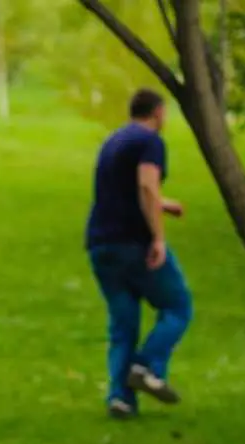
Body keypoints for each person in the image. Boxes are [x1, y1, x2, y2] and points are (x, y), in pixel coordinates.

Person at [85, 88, 193, 419]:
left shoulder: (113, 142)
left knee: (124, 323)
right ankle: (146, 367)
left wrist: (164, 204)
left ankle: (120, 398)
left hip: (101, 245)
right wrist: (158, 238)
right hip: (133, 244)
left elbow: (124, 192)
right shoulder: (150, 142)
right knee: (177, 305)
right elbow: (146, 185)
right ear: (158, 112)